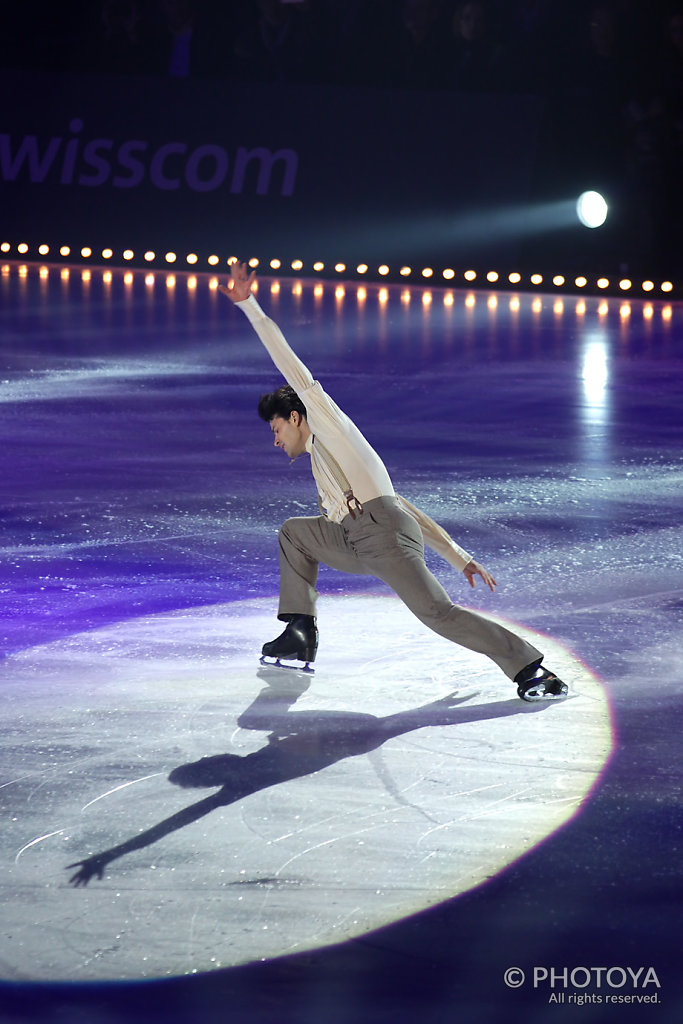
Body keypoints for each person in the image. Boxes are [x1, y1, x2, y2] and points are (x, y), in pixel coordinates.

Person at [220, 262, 567, 702]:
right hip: (358, 537)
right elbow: (402, 503)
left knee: (437, 614)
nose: (275, 441)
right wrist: (458, 556)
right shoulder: (323, 461)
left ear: (295, 417)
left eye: (276, 430)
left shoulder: (329, 425)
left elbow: (290, 366)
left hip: (382, 535)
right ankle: (299, 634)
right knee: (295, 533)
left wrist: (249, 306)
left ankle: (530, 668)